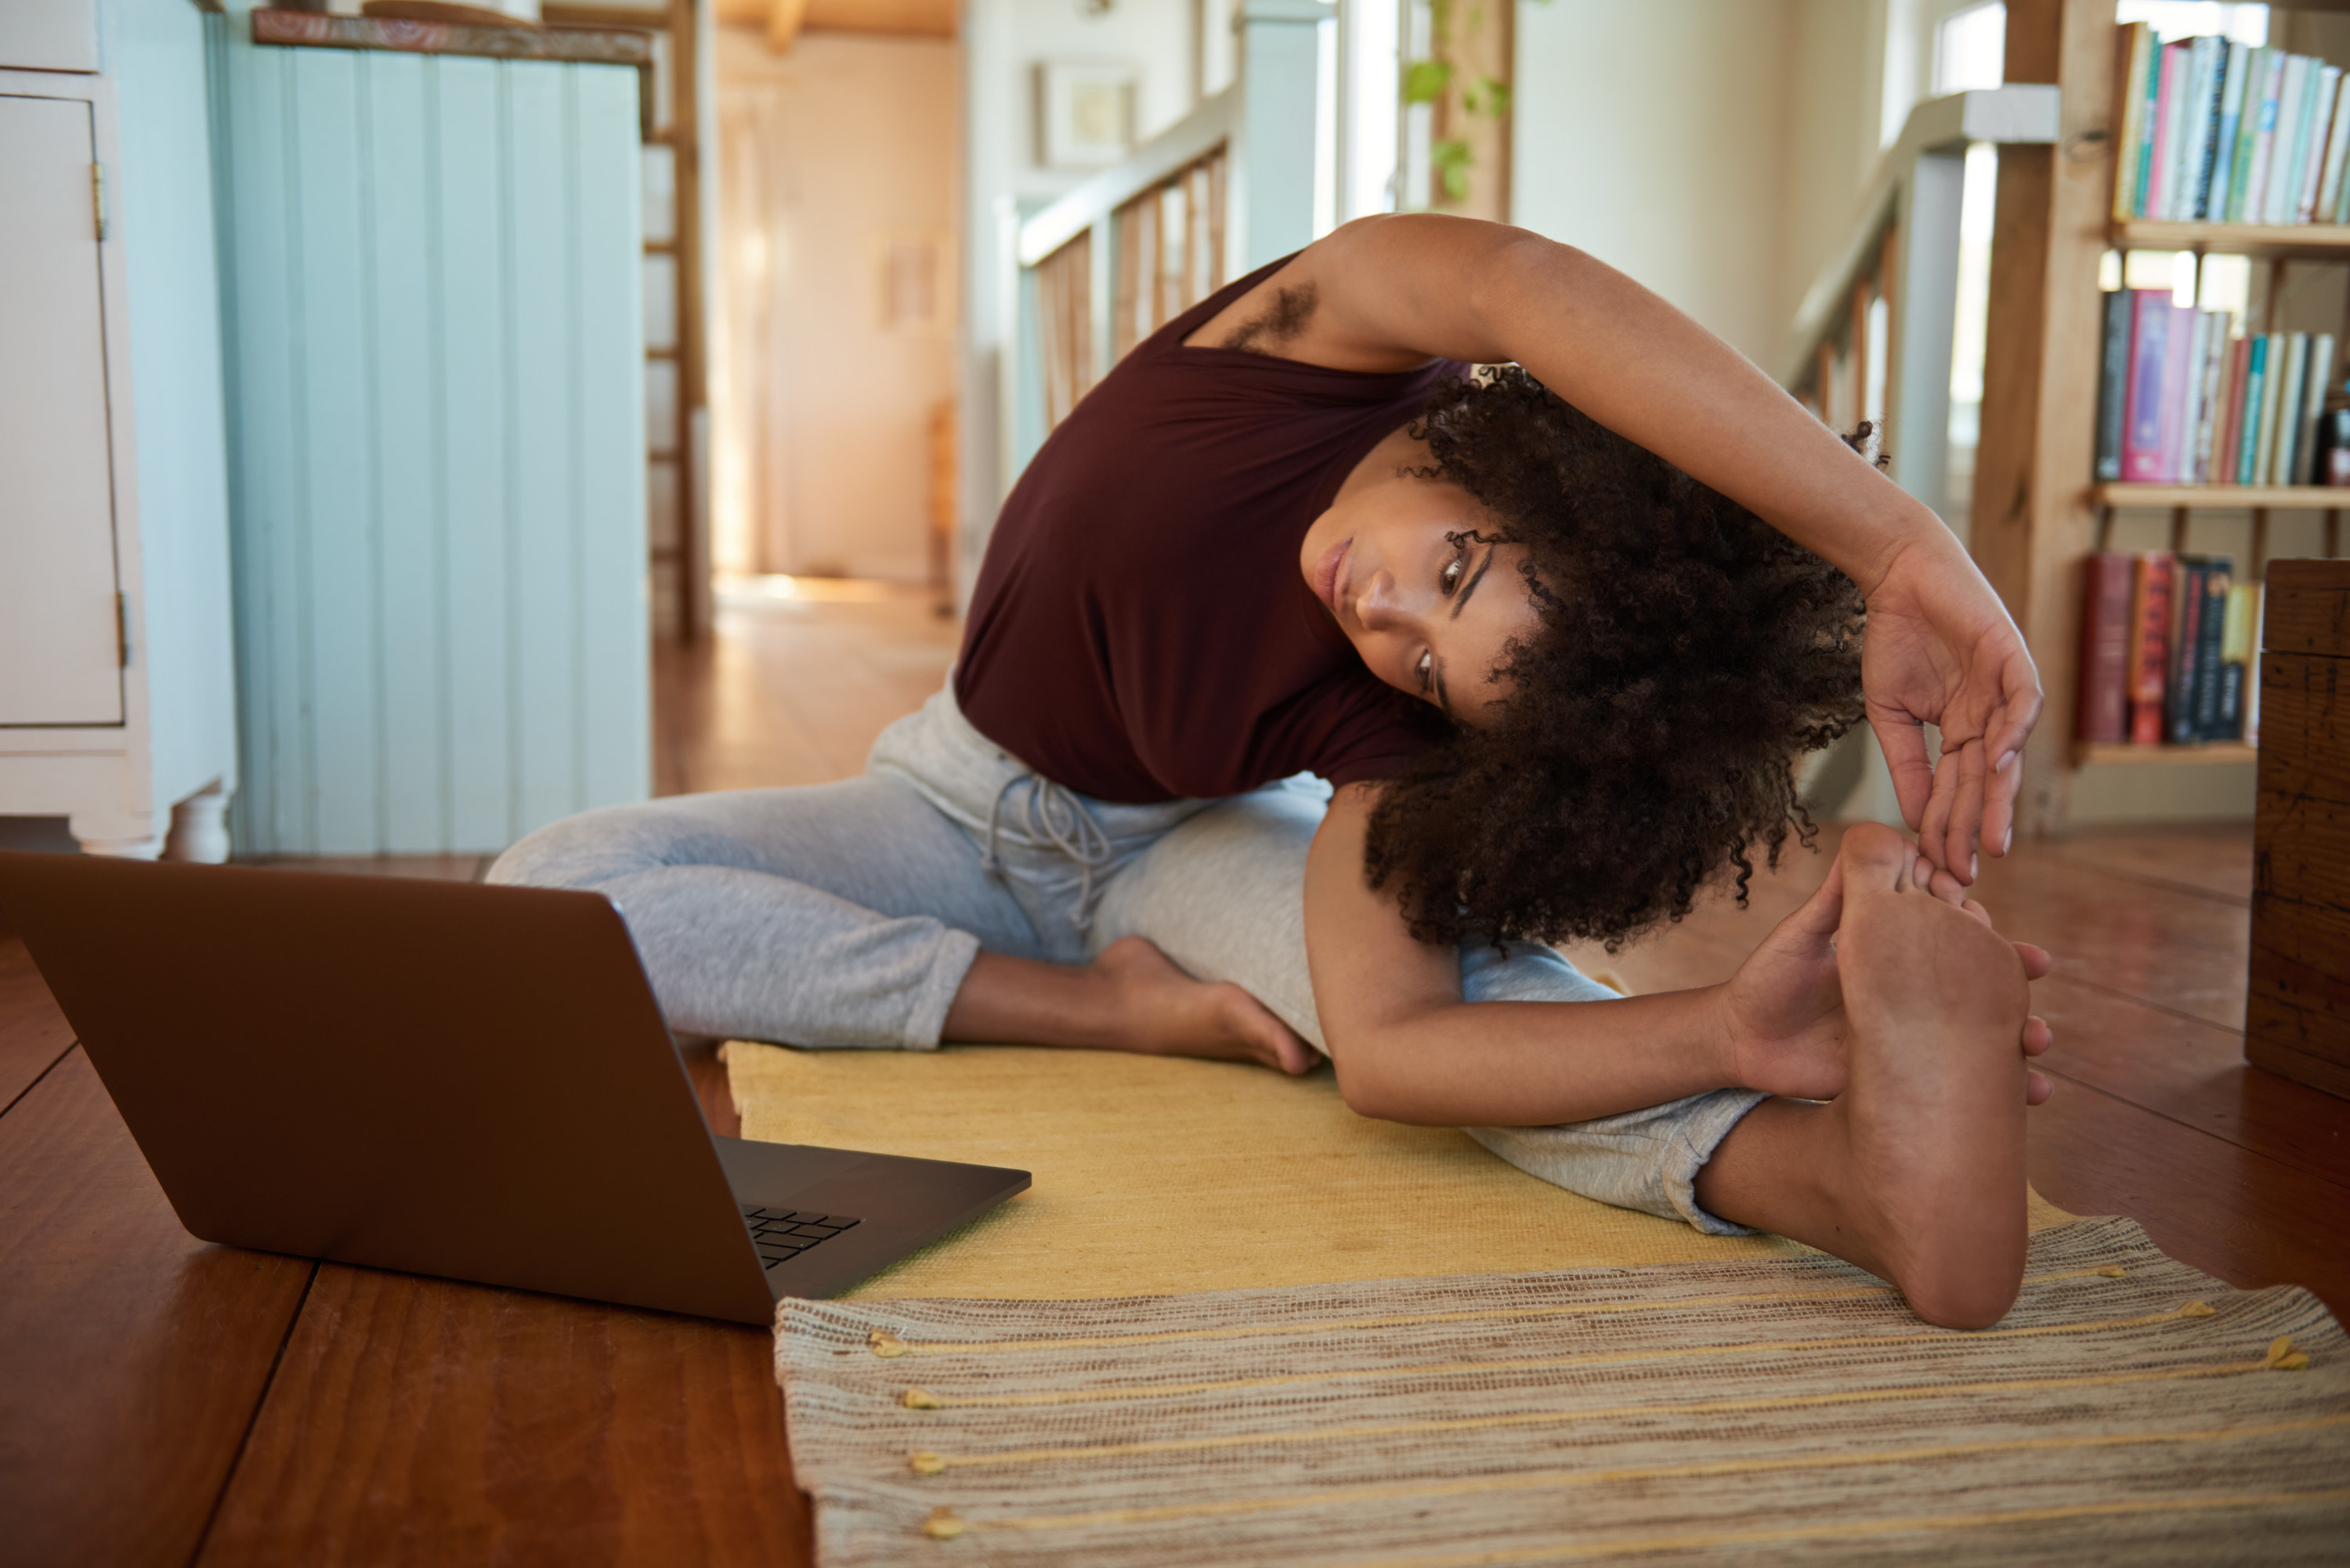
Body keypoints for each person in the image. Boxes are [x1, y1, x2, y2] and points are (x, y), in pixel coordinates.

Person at [492, 214, 2052, 1329]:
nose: (1383, 621)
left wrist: (1726, 1021)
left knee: (1478, 1010)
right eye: (1449, 571)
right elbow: (1524, 280)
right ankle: (1072, 1004)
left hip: (1184, 847)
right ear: (1500, 456)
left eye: (1436, 668)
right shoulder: (1300, 354)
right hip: (944, 808)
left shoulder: (1396, 733)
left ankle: (1833, 1176)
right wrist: (1899, 545)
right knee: (549, 893)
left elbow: (1393, 1053)